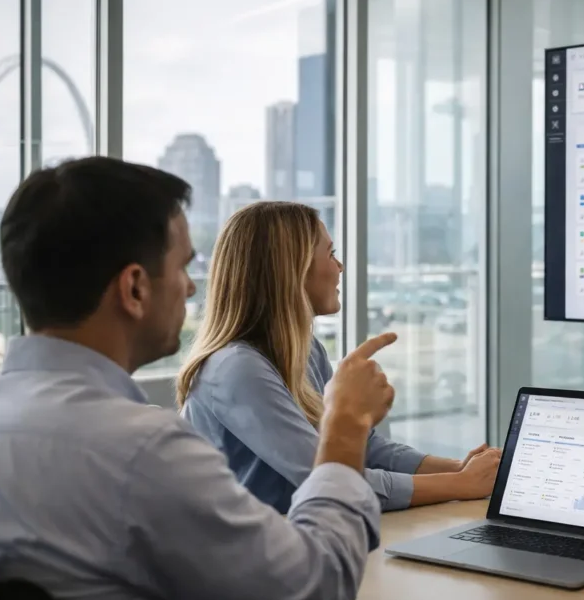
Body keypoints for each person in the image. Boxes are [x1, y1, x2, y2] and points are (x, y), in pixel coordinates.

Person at [0, 156, 398, 600]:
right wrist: (345, 429)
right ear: (135, 288)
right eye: (184, 267)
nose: (191, 287)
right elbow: (317, 584)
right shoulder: (141, 449)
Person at [175, 201, 501, 514]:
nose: (340, 267)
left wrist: (461, 468)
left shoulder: (307, 350)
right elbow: (330, 478)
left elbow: (365, 448)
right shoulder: (237, 369)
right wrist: (460, 484)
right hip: (245, 561)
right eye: (331, 254)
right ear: (293, 270)